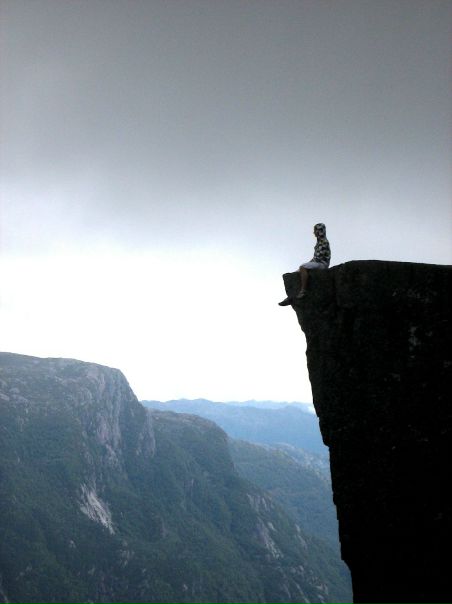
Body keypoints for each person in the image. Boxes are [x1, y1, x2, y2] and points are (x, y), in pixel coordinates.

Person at [278, 223, 331, 306]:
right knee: (296, 273)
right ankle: (291, 297)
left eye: (315, 230)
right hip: (318, 262)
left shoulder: (324, 242)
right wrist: (310, 263)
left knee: (302, 267)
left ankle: (303, 291)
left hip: (322, 264)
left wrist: (309, 264)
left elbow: (319, 258)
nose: (314, 232)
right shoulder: (320, 242)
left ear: (318, 231)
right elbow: (316, 258)